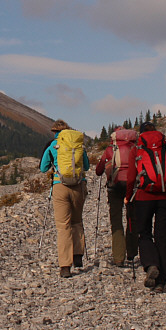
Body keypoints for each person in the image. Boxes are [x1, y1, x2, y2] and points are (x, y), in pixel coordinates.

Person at [126, 121, 166, 293]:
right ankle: (161, 282)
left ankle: (151, 264)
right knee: (164, 238)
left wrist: (128, 198)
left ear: (140, 134)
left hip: (144, 197)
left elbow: (130, 177)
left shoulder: (137, 149)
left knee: (144, 233)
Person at [40, 119, 90, 278]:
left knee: (63, 226)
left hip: (60, 186)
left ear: (55, 132)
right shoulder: (78, 144)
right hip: (79, 186)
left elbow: (43, 168)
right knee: (77, 221)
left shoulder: (53, 146)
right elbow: (87, 167)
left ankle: (65, 266)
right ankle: (78, 255)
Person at [95, 127, 139, 267]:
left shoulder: (111, 149)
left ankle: (119, 258)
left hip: (114, 187)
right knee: (132, 218)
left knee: (116, 220)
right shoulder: (136, 147)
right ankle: (132, 253)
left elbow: (98, 170)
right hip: (132, 187)